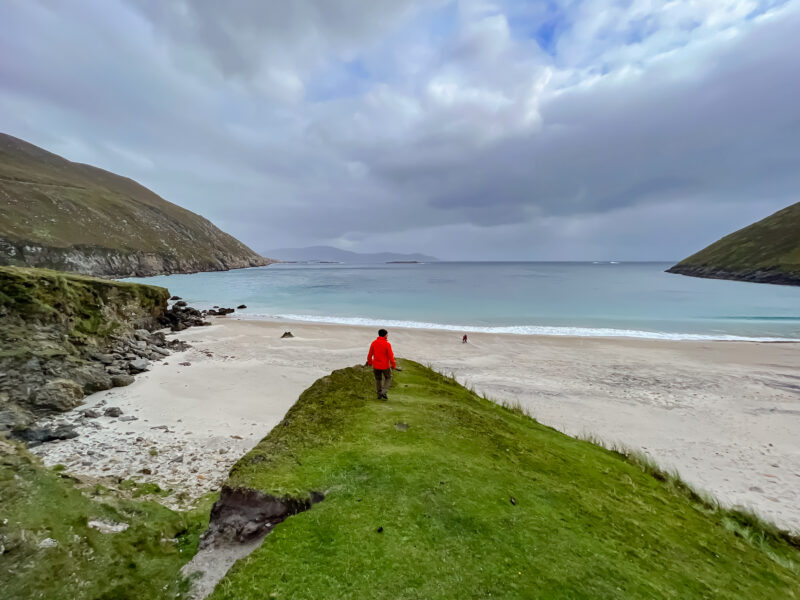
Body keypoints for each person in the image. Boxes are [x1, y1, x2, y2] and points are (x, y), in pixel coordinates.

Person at [366, 328, 397, 400]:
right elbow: (391, 356)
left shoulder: (374, 343)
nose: (387, 336)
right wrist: (393, 364)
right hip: (385, 365)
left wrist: (370, 362)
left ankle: (379, 394)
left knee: (378, 379)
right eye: (387, 334)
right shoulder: (387, 344)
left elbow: (370, 354)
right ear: (385, 335)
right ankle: (384, 391)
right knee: (388, 377)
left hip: (376, 365)